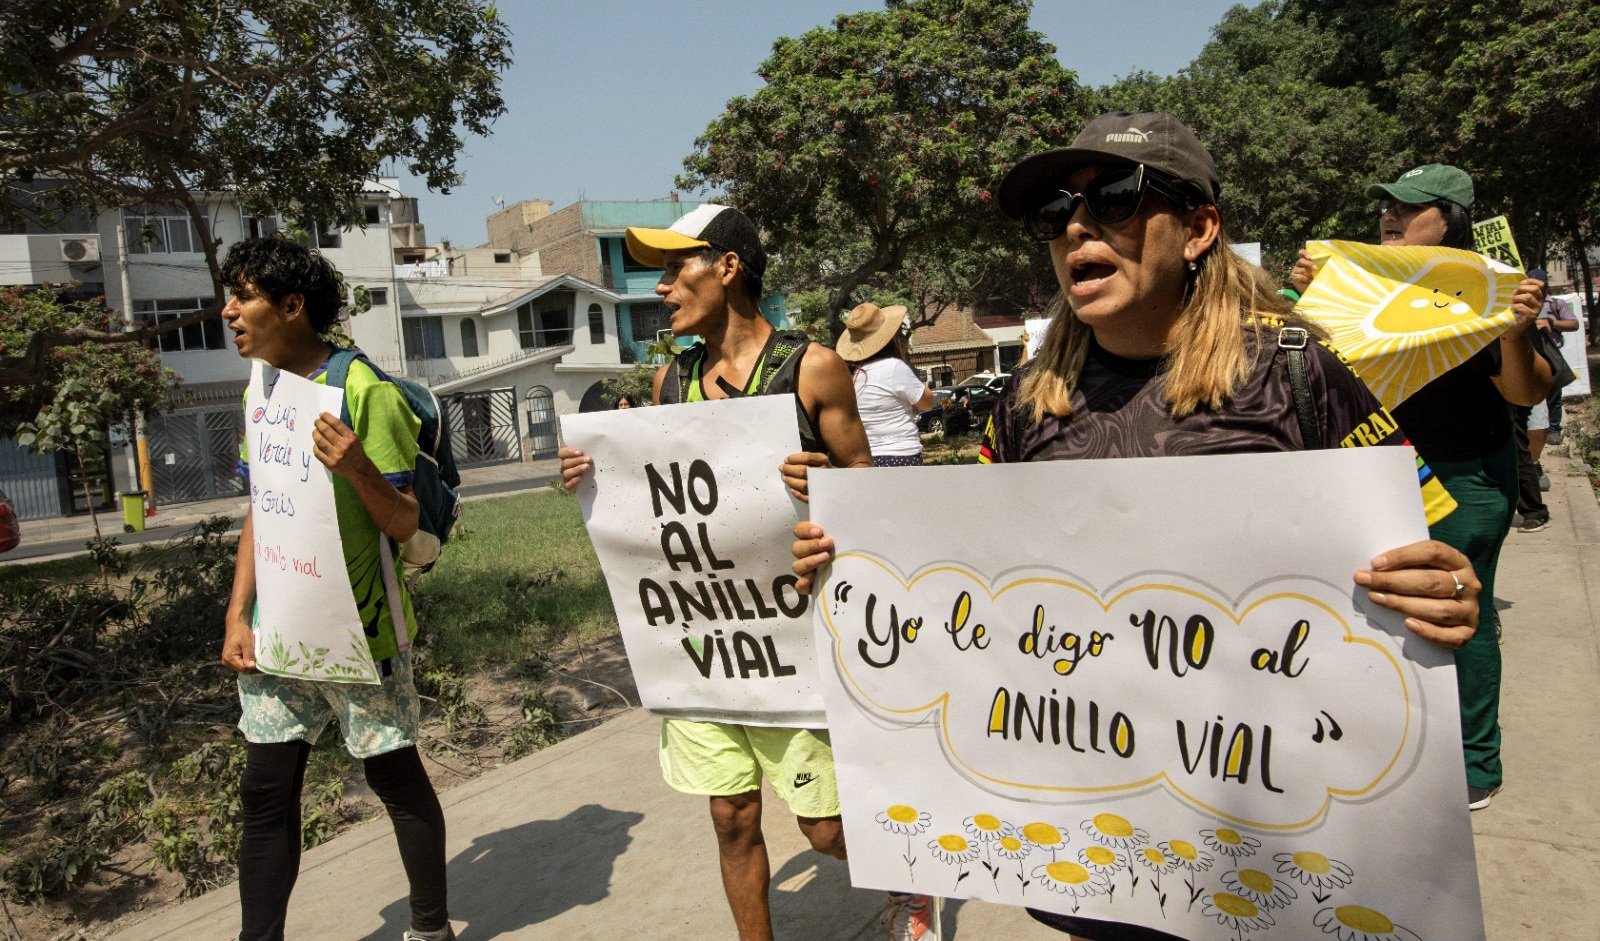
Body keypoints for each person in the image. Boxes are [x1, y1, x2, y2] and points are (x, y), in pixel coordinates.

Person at [792, 112, 1483, 941]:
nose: (1078, 226)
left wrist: (1446, 589)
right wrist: (853, 565)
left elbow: (1435, 551)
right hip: (1102, 857)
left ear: (1199, 229)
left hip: (1273, 854)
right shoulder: (1023, 407)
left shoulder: (1299, 369)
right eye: (1055, 214)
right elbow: (974, 601)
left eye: (1115, 199)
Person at [557, 205, 903, 941]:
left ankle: (911, 876)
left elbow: (878, 496)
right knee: (729, 812)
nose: (661, 286)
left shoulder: (811, 367)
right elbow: (655, 513)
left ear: (728, 267)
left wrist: (829, 490)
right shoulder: (668, 383)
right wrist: (594, 478)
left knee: (823, 827)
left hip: (796, 645)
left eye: (675, 267)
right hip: (708, 644)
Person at [1294, 163, 1550, 810]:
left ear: (1451, 220)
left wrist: (1516, 334)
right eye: (1386, 206)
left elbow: (1528, 390)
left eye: (1409, 208)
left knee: (1462, 616)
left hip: (1466, 479)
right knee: (1381, 614)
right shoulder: (1362, 281)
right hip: (1381, 471)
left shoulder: (1482, 290)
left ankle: (1476, 762)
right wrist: (1311, 298)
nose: (1390, 216)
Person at [218, 238, 453, 941]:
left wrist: (358, 469)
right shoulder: (257, 388)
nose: (228, 310)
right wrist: (238, 613)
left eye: (244, 295)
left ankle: (430, 927)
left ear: (292, 307)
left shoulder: (363, 390)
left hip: (362, 631)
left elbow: (404, 522)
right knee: (265, 792)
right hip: (278, 631)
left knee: (394, 778)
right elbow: (263, 506)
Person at [837, 301, 936, 465]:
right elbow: (927, 403)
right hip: (903, 455)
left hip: (868, 457)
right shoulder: (893, 367)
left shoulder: (852, 376)